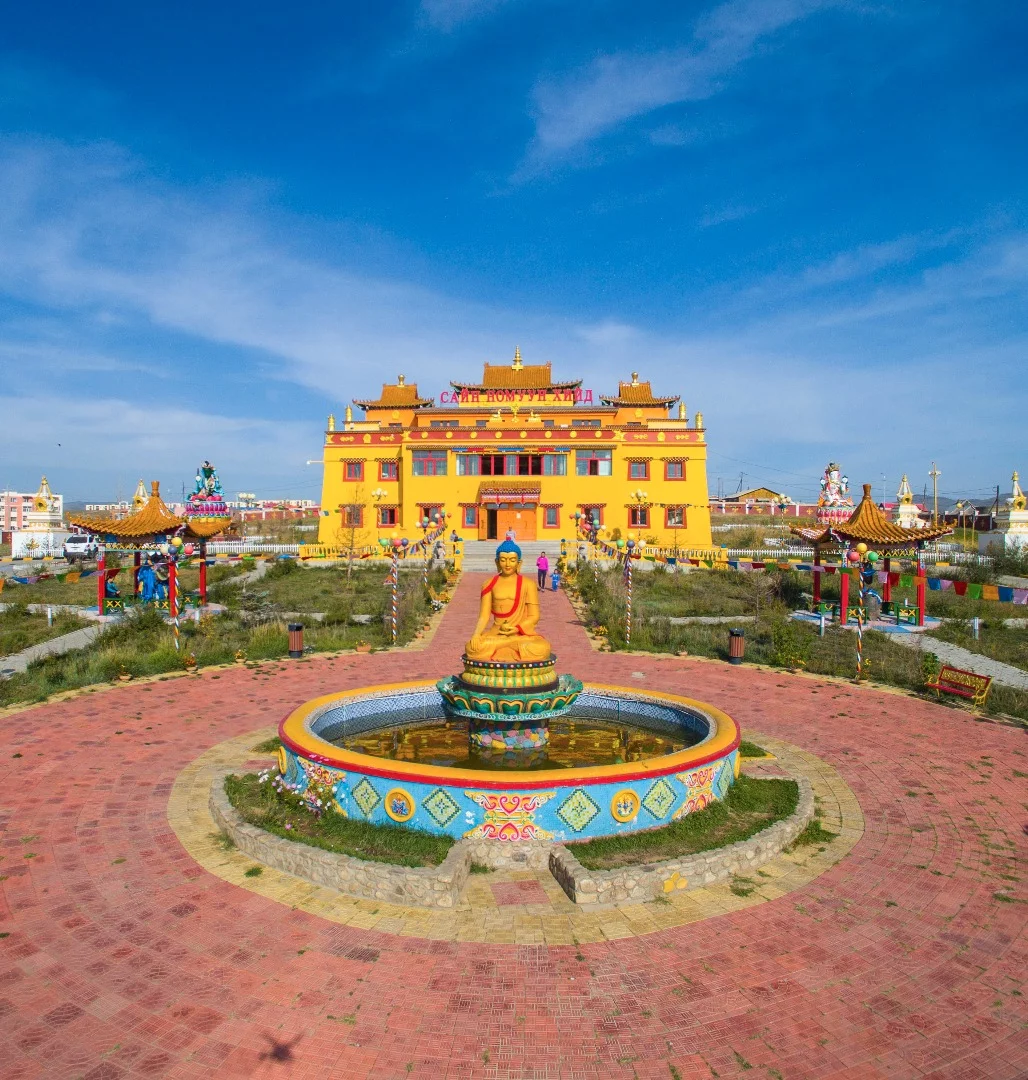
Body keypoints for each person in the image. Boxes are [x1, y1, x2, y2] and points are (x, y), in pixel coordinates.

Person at [465, 540, 551, 662]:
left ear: (519, 563)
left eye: (512, 560)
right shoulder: (489, 584)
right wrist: (476, 634)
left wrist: (517, 629)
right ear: (497, 562)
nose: (507, 564)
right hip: (496, 633)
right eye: (503, 560)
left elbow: (534, 616)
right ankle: (509, 645)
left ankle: (506, 644)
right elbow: (484, 616)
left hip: (520, 634)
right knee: (472, 647)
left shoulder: (528, 584)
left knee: (543, 647)